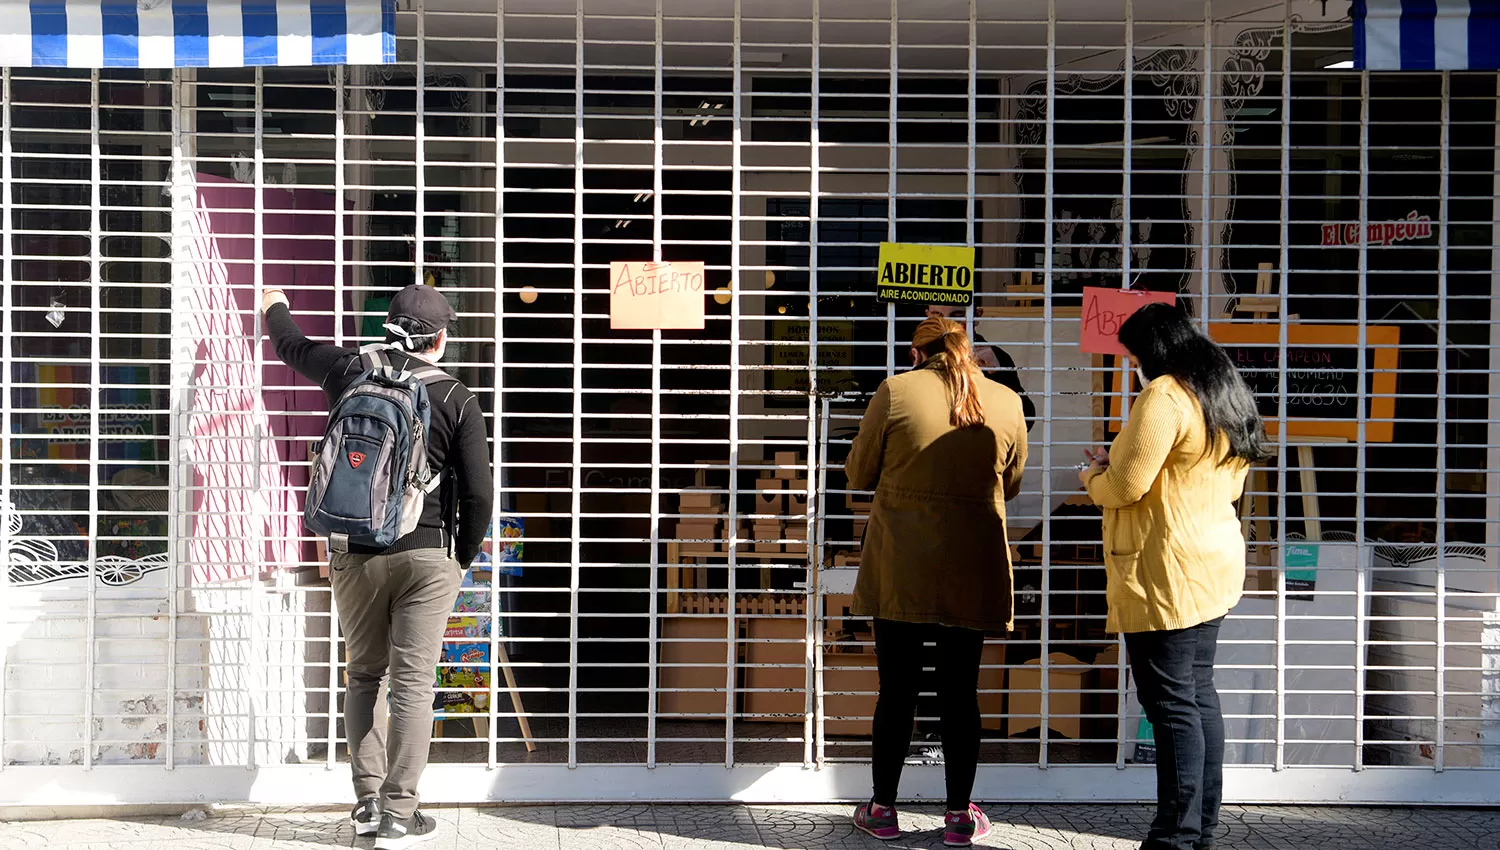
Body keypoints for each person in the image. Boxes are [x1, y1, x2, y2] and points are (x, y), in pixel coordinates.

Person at [262, 284, 492, 850]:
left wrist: (274, 303)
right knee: (412, 687)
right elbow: (481, 493)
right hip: (427, 554)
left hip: (354, 551)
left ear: (388, 327)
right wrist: (458, 556)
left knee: (364, 675)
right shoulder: (455, 396)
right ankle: (398, 814)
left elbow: (290, 345)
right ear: (440, 339)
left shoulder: (349, 369)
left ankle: (365, 806)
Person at [1079, 302, 1271, 850]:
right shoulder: (1219, 390)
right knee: (1197, 695)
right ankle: (1201, 827)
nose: (1132, 365)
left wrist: (1094, 476)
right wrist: (1117, 457)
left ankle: (1176, 836)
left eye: (1134, 355)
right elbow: (1215, 480)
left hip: (1168, 571)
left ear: (1150, 352)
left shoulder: (1163, 393)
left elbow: (1125, 489)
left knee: (1168, 705)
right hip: (1213, 563)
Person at [844, 316, 1028, 847]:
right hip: (972, 564)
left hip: (903, 565)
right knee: (960, 693)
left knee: (897, 690)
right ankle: (957, 817)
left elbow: (858, 473)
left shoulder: (896, 391)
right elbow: (1010, 485)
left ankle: (882, 810)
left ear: (916, 353)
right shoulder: (1007, 401)